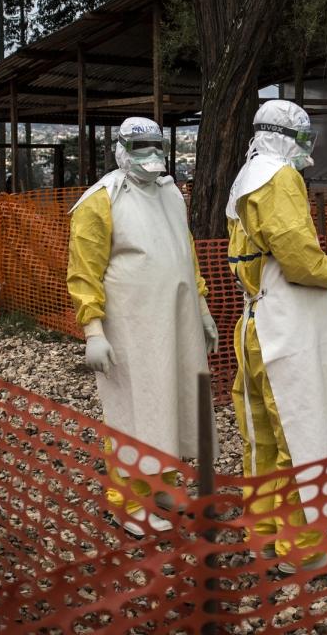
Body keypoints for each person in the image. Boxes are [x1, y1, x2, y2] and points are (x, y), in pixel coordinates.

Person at [226, 99, 327, 572]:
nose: (308, 148)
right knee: (300, 431)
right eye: (304, 138)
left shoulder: (247, 175)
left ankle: (265, 532)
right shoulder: (279, 177)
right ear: (287, 136)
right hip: (286, 327)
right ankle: (300, 546)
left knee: (265, 436)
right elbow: (300, 260)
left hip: (256, 322)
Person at [66, 116, 219, 537]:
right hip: (131, 328)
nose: (151, 155)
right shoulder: (101, 201)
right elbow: (84, 272)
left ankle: (163, 484)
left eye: (156, 145)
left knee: (173, 401)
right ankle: (130, 502)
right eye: (140, 147)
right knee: (135, 410)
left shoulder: (172, 195)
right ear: (119, 150)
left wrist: (202, 308)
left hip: (176, 321)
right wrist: (94, 332)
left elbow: (185, 252)